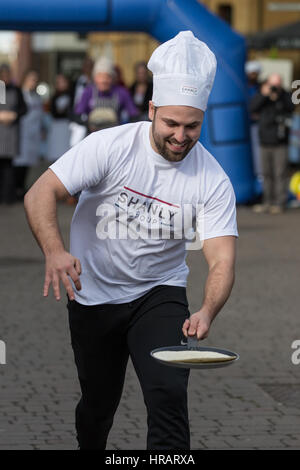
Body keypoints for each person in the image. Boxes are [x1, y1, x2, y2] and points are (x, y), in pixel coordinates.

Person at [24, 31, 238, 450]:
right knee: (98, 405)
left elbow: (222, 261)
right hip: (93, 295)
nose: (180, 135)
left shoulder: (212, 179)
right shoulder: (111, 146)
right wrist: (54, 251)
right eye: (171, 123)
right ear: (152, 109)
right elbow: (39, 193)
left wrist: (209, 309)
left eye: (192, 126)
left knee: (168, 395)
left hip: (159, 293)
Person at [250, 73, 295, 214]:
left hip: (280, 142)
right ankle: (267, 202)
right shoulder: (262, 95)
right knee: (266, 174)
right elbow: (252, 108)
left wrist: (280, 95)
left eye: (278, 84)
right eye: (273, 84)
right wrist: (265, 95)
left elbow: (291, 107)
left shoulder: (285, 95)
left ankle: (280, 203)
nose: (275, 87)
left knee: (280, 173)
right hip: (265, 141)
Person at [74, 56, 138, 133]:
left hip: (114, 135)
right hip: (93, 135)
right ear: (95, 78)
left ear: (113, 78)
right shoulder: (88, 92)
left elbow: (134, 115)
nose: (103, 80)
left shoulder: (121, 92)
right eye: (100, 76)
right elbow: (78, 114)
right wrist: (87, 125)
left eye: (107, 76)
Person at [13, 70, 44, 200]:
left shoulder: (37, 96)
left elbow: (40, 115)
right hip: (22, 132)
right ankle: (17, 188)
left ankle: (22, 186)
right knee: (19, 161)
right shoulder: (20, 95)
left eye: (35, 80)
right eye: (31, 79)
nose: (33, 82)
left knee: (28, 162)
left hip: (33, 133)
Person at [0, 63, 27, 204]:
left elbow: (24, 109)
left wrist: (14, 115)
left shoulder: (16, 90)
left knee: (9, 166)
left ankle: (8, 197)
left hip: (10, 133)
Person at [46, 74, 73, 162]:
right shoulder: (54, 97)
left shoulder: (72, 96)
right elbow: (54, 113)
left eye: (63, 82)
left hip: (67, 127)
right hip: (56, 128)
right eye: (59, 82)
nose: (61, 84)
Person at [245, 60, 263, 185]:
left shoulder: (260, 88)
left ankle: (259, 179)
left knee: (257, 153)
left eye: (255, 73)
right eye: (251, 73)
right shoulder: (242, 86)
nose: (253, 75)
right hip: (244, 125)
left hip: (256, 125)